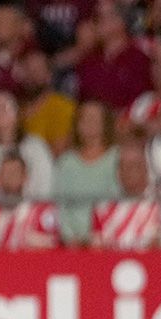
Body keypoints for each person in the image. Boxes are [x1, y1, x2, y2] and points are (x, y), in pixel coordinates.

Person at [53, 100, 119, 244]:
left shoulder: (117, 158)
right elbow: (60, 204)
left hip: (107, 240)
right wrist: (70, 238)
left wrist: (100, 236)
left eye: (95, 118)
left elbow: (117, 200)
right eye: (85, 118)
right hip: (72, 243)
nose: (90, 122)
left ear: (105, 123)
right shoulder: (66, 162)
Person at [0, 152, 60, 250]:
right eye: (5, 172)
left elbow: (51, 250)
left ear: (25, 176)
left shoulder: (42, 212)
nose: (10, 176)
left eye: (15, 172)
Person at [91, 143, 161, 250]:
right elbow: (96, 249)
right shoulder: (102, 207)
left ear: (146, 169)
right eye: (123, 165)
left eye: (134, 164)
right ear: (118, 172)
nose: (128, 170)